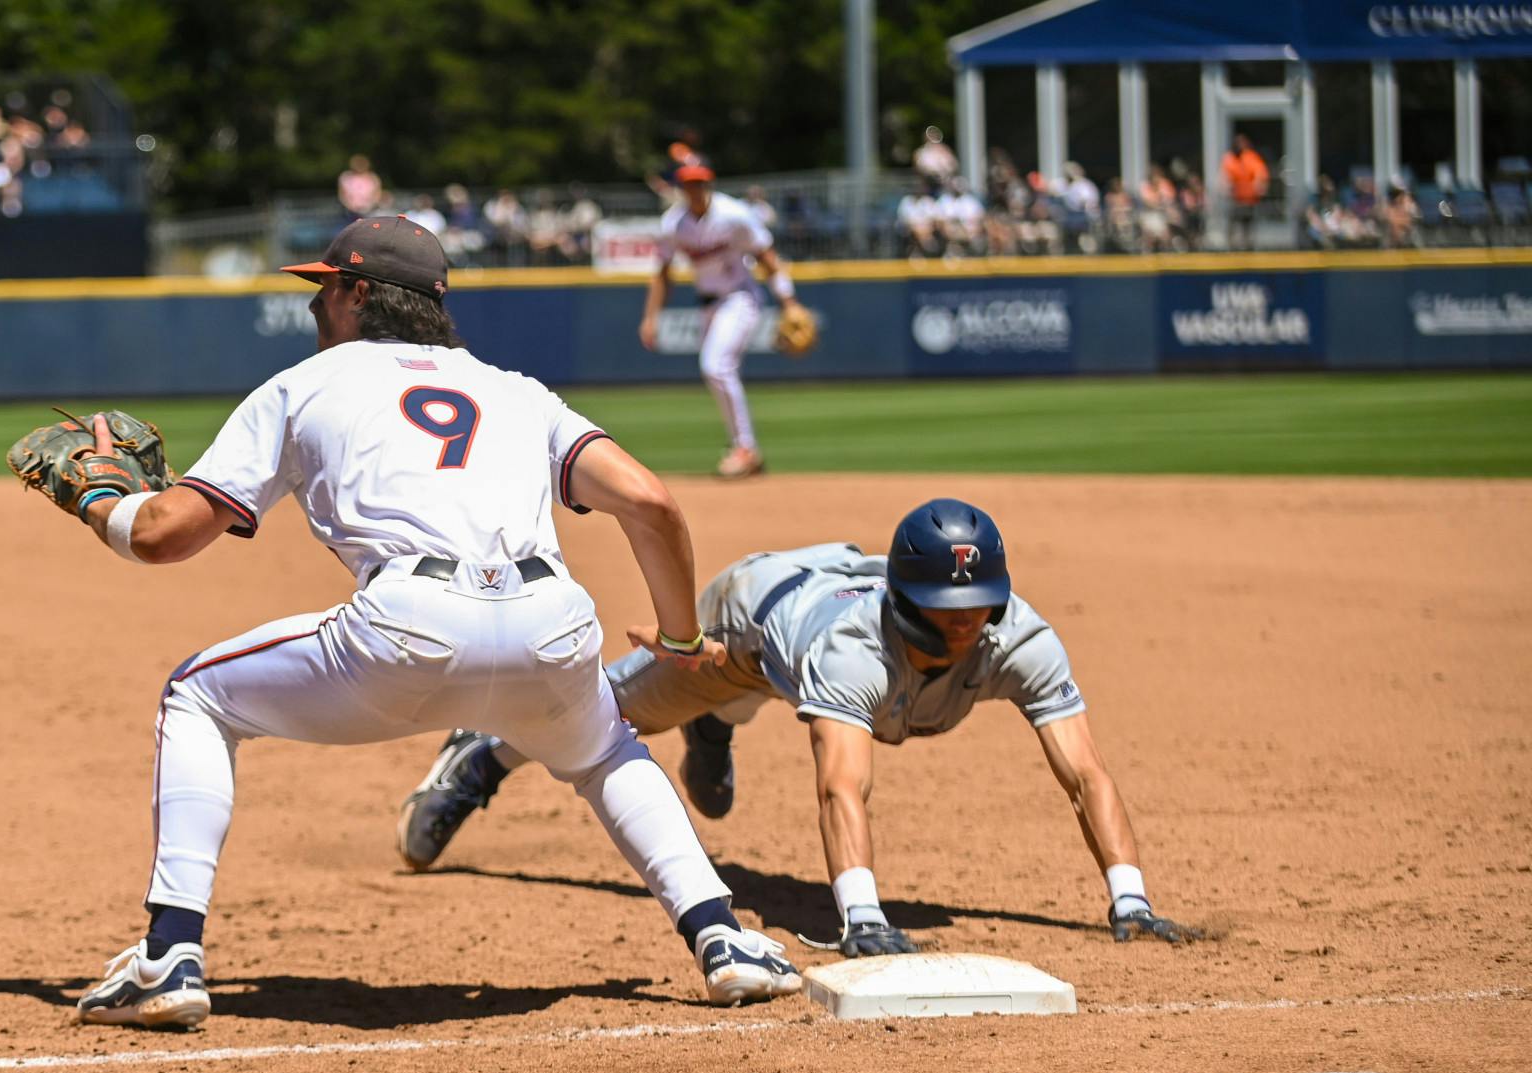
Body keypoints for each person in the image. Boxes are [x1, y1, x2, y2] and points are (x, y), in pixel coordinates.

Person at [58, 216, 803, 1029]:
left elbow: (164, 535)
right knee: (603, 748)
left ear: (357, 294)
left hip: (406, 630)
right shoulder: (517, 390)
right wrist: (682, 639)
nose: (315, 306)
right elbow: (651, 502)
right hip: (551, 625)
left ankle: (168, 956)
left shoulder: (302, 387)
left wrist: (102, 501)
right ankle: (724, 940)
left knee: (197, 694)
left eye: (324, 287)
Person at [397, 499, 1197, 954]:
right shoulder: (854, 651)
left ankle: (712, 730)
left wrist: (1130, 900)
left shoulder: (1017, 636)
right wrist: (863, 918)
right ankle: (483, 755)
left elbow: (1084, 769)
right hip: (753, 620)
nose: (966, 626)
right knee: (588, 718)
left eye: (978, 606)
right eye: (949, 611)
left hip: (825, 595)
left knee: (723, 718)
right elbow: (841, 783)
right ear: (908, 602)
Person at [640, 153, 807, 480]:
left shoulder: (735, 215)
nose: (695, 189)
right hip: (708, 306)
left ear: (709, 183)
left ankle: (745, 447)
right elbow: (662, 272)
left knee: (715, 365)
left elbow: (767, 258)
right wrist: (650, 316)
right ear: (681, 187)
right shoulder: (674, 224)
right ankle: (746, 449)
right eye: (688, 184)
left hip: (740, 297)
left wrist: (790, 302)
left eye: (700, 182)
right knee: (716, 370)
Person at [1221, 134, 1269, 250]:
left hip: (1249, 199)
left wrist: (1259, 185)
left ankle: (1248, 248)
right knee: (1233, 224)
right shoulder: (1229, 158)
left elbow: (1260, 173)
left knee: (1247, 225)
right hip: (1235, 199)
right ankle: (1231, 247)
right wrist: (1227, 187)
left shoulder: (1250, 157)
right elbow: (1225, 177)